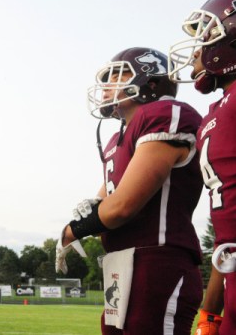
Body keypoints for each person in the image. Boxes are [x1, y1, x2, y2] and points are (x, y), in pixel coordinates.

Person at [57, 47, 203, 334]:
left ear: (149, 80)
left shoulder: (165, 112)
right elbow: (104, 202)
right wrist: (93, 207)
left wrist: (71, 231)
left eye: (116, 75)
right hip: (121, 262)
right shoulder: (117, 138)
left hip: (158, 258)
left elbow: (122, 206)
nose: (107, 86)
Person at [167, 0, 236, 335]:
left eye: (204, 38)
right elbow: (228, 239)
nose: (196, 52)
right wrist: (211, 310)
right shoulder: (216, 111)